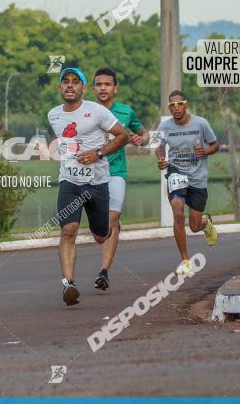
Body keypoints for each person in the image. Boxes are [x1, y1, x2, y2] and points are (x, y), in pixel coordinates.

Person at [47, 67, 128, 306]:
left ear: (83, 88)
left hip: (98, 183)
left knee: (100, 235)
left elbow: (121, 136)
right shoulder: (53, 114)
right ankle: (68, 284)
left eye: (75, 82)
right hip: (70, 181)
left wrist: (99, 153)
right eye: (65, 82)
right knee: (68, 229)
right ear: (59, 88)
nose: (69, 86)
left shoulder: (97, 111)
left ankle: (110, 229)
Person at [91, 68, 149, 291]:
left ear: (115, 88)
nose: (103, 88)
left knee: (112, 219)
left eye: (107, 84)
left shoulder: (125, 112)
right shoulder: (86, 111)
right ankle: (107, 231)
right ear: (94, 88)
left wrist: (140, 139)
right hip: (91, 173)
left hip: (116, 172)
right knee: (100, 231)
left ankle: (103, 272)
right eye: (99, 84)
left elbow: (143, 134)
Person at [156, 90, 219, 275]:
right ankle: (185, 260)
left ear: (186, 104)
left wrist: (205, 152)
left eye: (179, 104)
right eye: (172, 105)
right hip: (176, 173)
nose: (176, 108)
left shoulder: (201, 123)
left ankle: (205, 223)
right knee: (177, 210)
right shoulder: (165, 126)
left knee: (194, 226)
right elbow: (160, 147)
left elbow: (215, 144)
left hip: (198, 178)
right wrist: (161, 159)